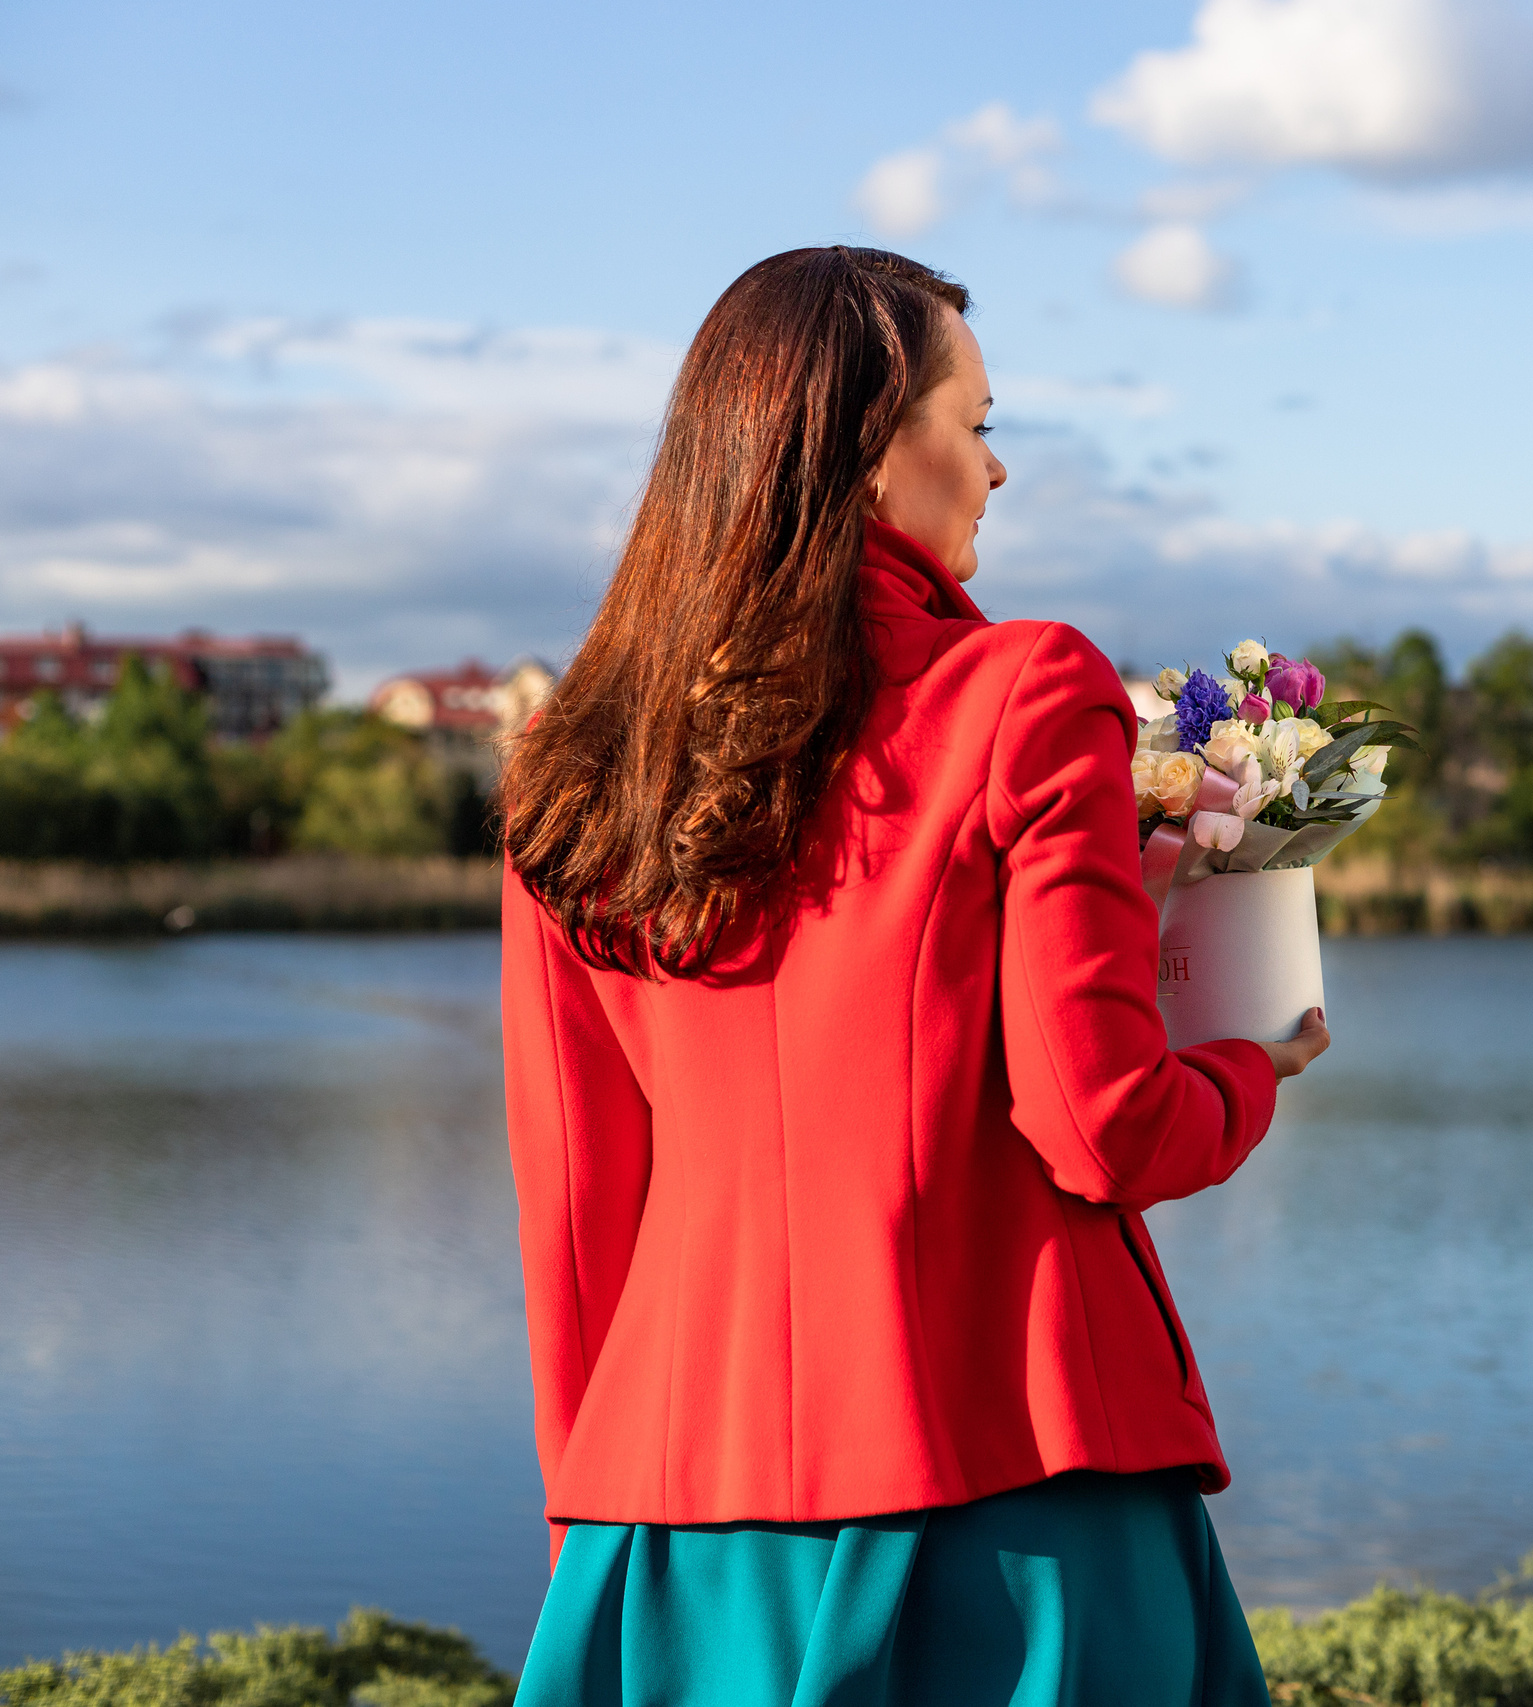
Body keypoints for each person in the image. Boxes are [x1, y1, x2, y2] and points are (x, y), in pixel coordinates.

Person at [496, 246, 1328, 1706]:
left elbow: (578, 1213)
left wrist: (595, 1523)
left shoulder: (574, 769)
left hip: (673, 1511)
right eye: (982, 425)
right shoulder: (1024, 693)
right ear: (876, 449)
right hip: (1017, 1500)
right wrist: (1254, 1069)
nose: (997, 475)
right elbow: (1104, 1124)